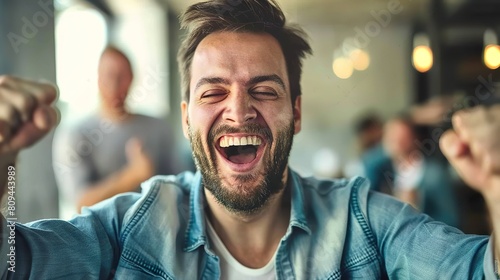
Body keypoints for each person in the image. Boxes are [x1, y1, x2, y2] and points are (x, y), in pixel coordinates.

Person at [0, 0, 500, 278]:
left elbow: (478, 271)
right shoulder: (128, 227)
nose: (238, 110)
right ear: (186, 116)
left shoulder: (364, 222)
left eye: (263, 90)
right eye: (214, 92)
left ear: (296, 112)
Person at [52, 46, 179, 213]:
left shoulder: (159, 128)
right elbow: (81, 203)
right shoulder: (74, 134)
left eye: (122, 76)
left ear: (132, 78)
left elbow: (180, 187)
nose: (115, 84)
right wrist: (132, 175)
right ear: (97, 78)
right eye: (109, 75)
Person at [383, 115, 460, 227]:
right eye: (389, 136)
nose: (393, 141)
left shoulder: (434, 174)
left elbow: (452, 220)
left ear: (414, 138)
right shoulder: (385, 170)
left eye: (399, 137)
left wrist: (418, 208)